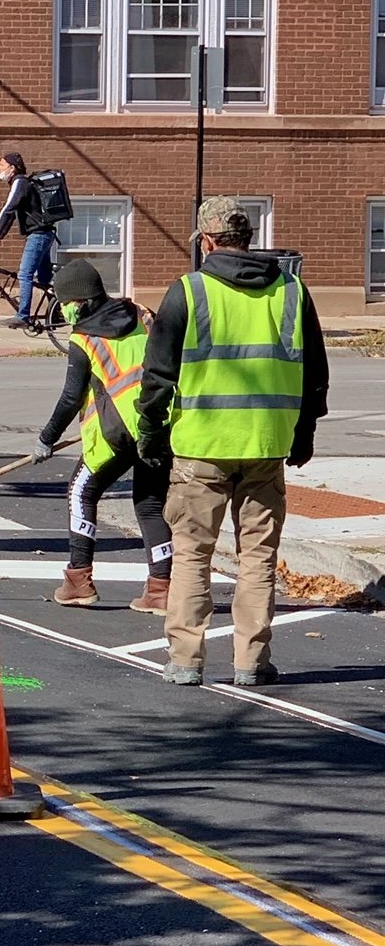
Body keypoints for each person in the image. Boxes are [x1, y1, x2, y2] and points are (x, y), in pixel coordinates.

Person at [137, 197, 329, 688]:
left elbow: (158, 376)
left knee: (192, 554)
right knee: (258, 557)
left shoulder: (188, 292)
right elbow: (315, 376)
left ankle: (185, 658)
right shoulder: (292, 291)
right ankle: (252, 662)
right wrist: (303, 434)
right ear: (247, 239)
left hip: (201, 447)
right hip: (266, 446)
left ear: (205, 241)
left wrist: (152, 435)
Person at [32, 257, 172, 612]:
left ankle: (79, 579)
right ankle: (161, 590)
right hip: (156, 426)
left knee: (81, 491)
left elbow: (70, 398)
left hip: (115, 435)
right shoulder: (141, 314)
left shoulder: (83, 339)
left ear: (79, 301)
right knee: (150, 504)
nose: (61, 310)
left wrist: (46, 438)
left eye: (64, 303)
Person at [0, 151, 60, 327]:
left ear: (12, 168)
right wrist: (0, 236)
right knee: (43, 278)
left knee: (24, 274)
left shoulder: (20, 182)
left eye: (2, 165)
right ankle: (56, 312)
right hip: (45, 234)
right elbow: (12, 215)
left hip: (38, 235)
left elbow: (8, 209)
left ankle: (23, 316)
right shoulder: (21, 183)